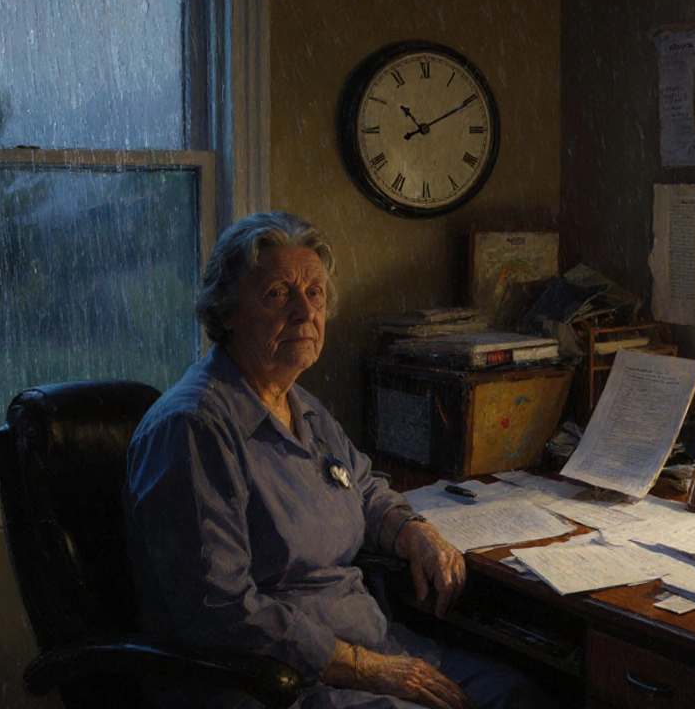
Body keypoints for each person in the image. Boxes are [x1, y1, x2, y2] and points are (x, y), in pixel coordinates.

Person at [123, 211, 552, 709]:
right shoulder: (194, 428)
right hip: (279, 681)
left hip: (374, 649)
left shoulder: (301, 405)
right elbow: (220, 610)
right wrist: (365, 668)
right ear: (226, 313)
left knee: (520, 696)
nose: (305, 313)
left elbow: (363, 489)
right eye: (278, 294)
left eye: (316, 293)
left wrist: (416, 532)